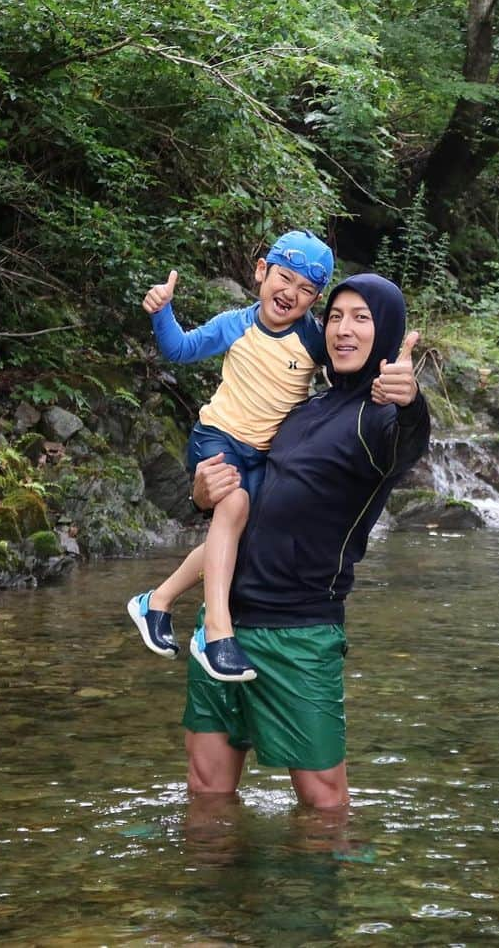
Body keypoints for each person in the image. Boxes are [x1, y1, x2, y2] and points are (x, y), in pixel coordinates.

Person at [183, 272, 430, 809]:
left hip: (299, 631)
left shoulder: (380, 419)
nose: (344, 329)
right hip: (223, 623)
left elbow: (408, 445)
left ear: (386, 331)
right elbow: (241, 486)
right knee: (205, 793)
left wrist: (411, 402)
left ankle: (316, 895)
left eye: (362, 318)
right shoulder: (304, 405)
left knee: (323, 806)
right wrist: (202, 494)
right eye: (336, 316)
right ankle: (214, 892)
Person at [127, 229, 334, 682]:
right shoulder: (234, 325)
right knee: (235, 506)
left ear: (315, 300)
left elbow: (344, 368)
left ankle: (156, 601)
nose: (290, 294)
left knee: (238, 537)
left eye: (306, 290)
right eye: (285, 278)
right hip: (217, 437)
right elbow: (179, 349)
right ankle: (216, 634)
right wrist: (162, 311)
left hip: (264, 455)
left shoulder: (313, 341)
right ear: (262, 272)